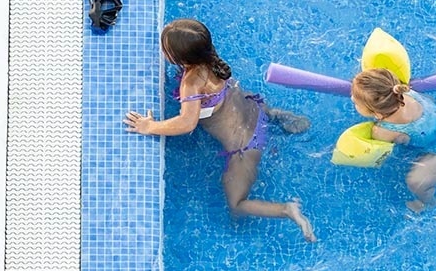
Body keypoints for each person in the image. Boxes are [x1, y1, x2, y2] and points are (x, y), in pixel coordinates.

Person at [124, 19, 315, 241]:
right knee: (244, 102)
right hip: (255, 111)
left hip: (245, 147)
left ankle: (286, 210)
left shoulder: (192, 83)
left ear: (181, 58)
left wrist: (150, 126)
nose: (162, 51)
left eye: (165, 49)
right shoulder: (211, 59)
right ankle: (275, 115)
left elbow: (187, 123)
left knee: (237, 205)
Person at [350, 67, 436, 212]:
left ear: (375, 112)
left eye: (356, 102)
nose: (352, 99)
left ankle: (427, 203)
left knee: (415, 183)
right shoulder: (407, 92)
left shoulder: (384, 131)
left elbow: (377, 156)